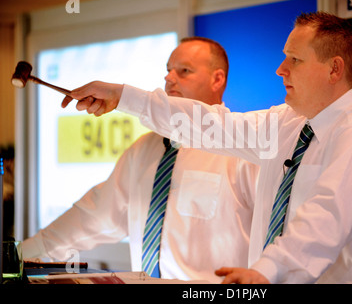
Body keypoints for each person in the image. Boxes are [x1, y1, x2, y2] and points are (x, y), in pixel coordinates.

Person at [66, 12, 352, 284]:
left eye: (295, 60)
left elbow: (324, 221)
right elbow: (209, 125)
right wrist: (123, 97)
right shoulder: (289, 123)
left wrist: (266, 270)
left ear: (334, 68)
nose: (281, 69)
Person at [23, 37, 259, 283]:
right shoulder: (142, 150)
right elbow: (92, 217)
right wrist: (19, 256)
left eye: (184, 71)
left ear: (217, 79)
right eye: (168, 70)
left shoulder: (242, 153)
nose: (169, 78)